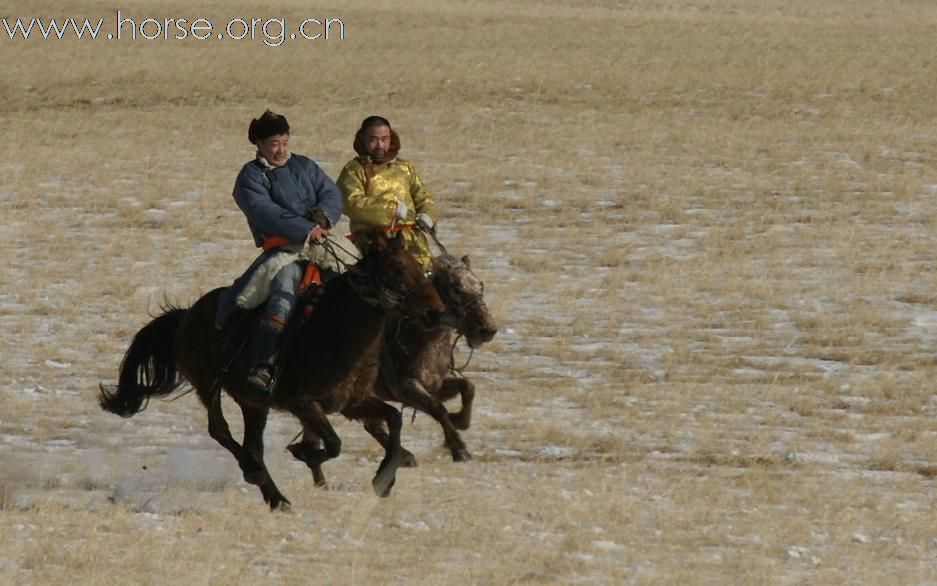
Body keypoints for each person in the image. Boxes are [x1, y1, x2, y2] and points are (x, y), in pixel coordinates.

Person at [220, 110, 343, 396]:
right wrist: (305, 229)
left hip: (322, 244)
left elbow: (331, 193)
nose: (281, 150)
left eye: (285, 142)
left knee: (362, 278)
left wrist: (323, 217)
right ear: (259, 144)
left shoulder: (305, 165)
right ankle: (265, 363)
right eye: (274, 143)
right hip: (284, 250)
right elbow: (264, 212)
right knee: (283, 294)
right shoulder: (250, 177)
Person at [336, 116, 437, 273]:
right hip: (375, 243)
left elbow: (422, 195)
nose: (380, 145)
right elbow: (351, 203)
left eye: (384, 139)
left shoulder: (405, 167)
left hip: (412, 241)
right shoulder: (353, 170)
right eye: (374, 140)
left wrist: (427, 214)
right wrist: (392, 210)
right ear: (363, 139)